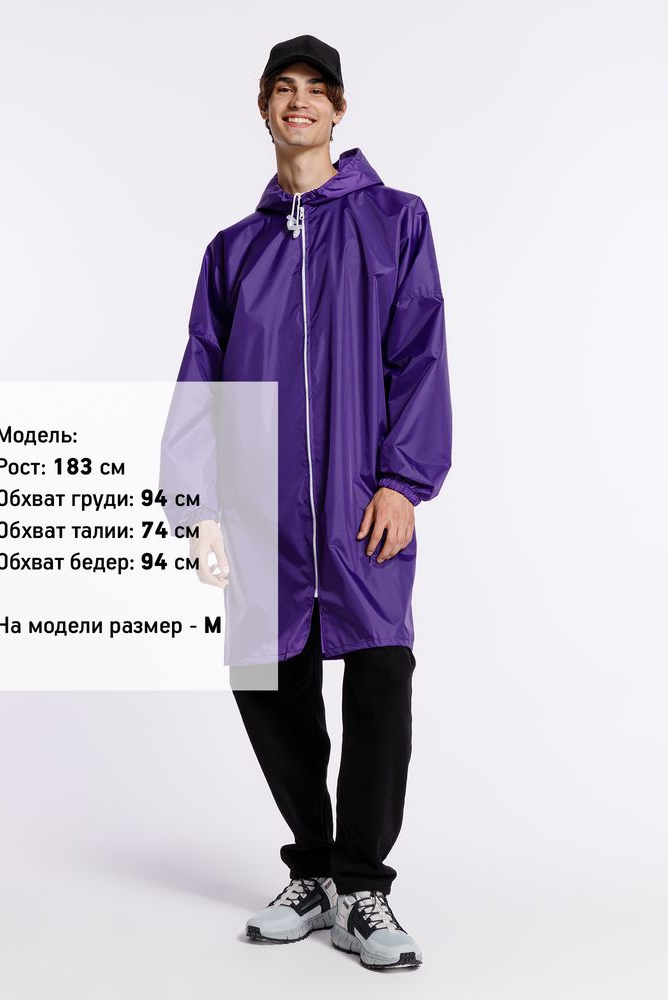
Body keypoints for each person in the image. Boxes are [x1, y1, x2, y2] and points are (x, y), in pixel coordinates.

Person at [173, 34, 453, 971]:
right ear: (264, 106)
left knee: (379, 677)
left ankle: (363, 889)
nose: (300, 102)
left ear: (338, 109)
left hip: (362, 504)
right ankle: (316, 866)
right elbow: (202, 378)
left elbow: (421, 354)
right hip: (261, 514)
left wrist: (404, 480)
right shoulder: (233, 251)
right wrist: (196, 507)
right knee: (268, 683)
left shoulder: (396, 221)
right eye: (283, 89)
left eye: (316, 89)